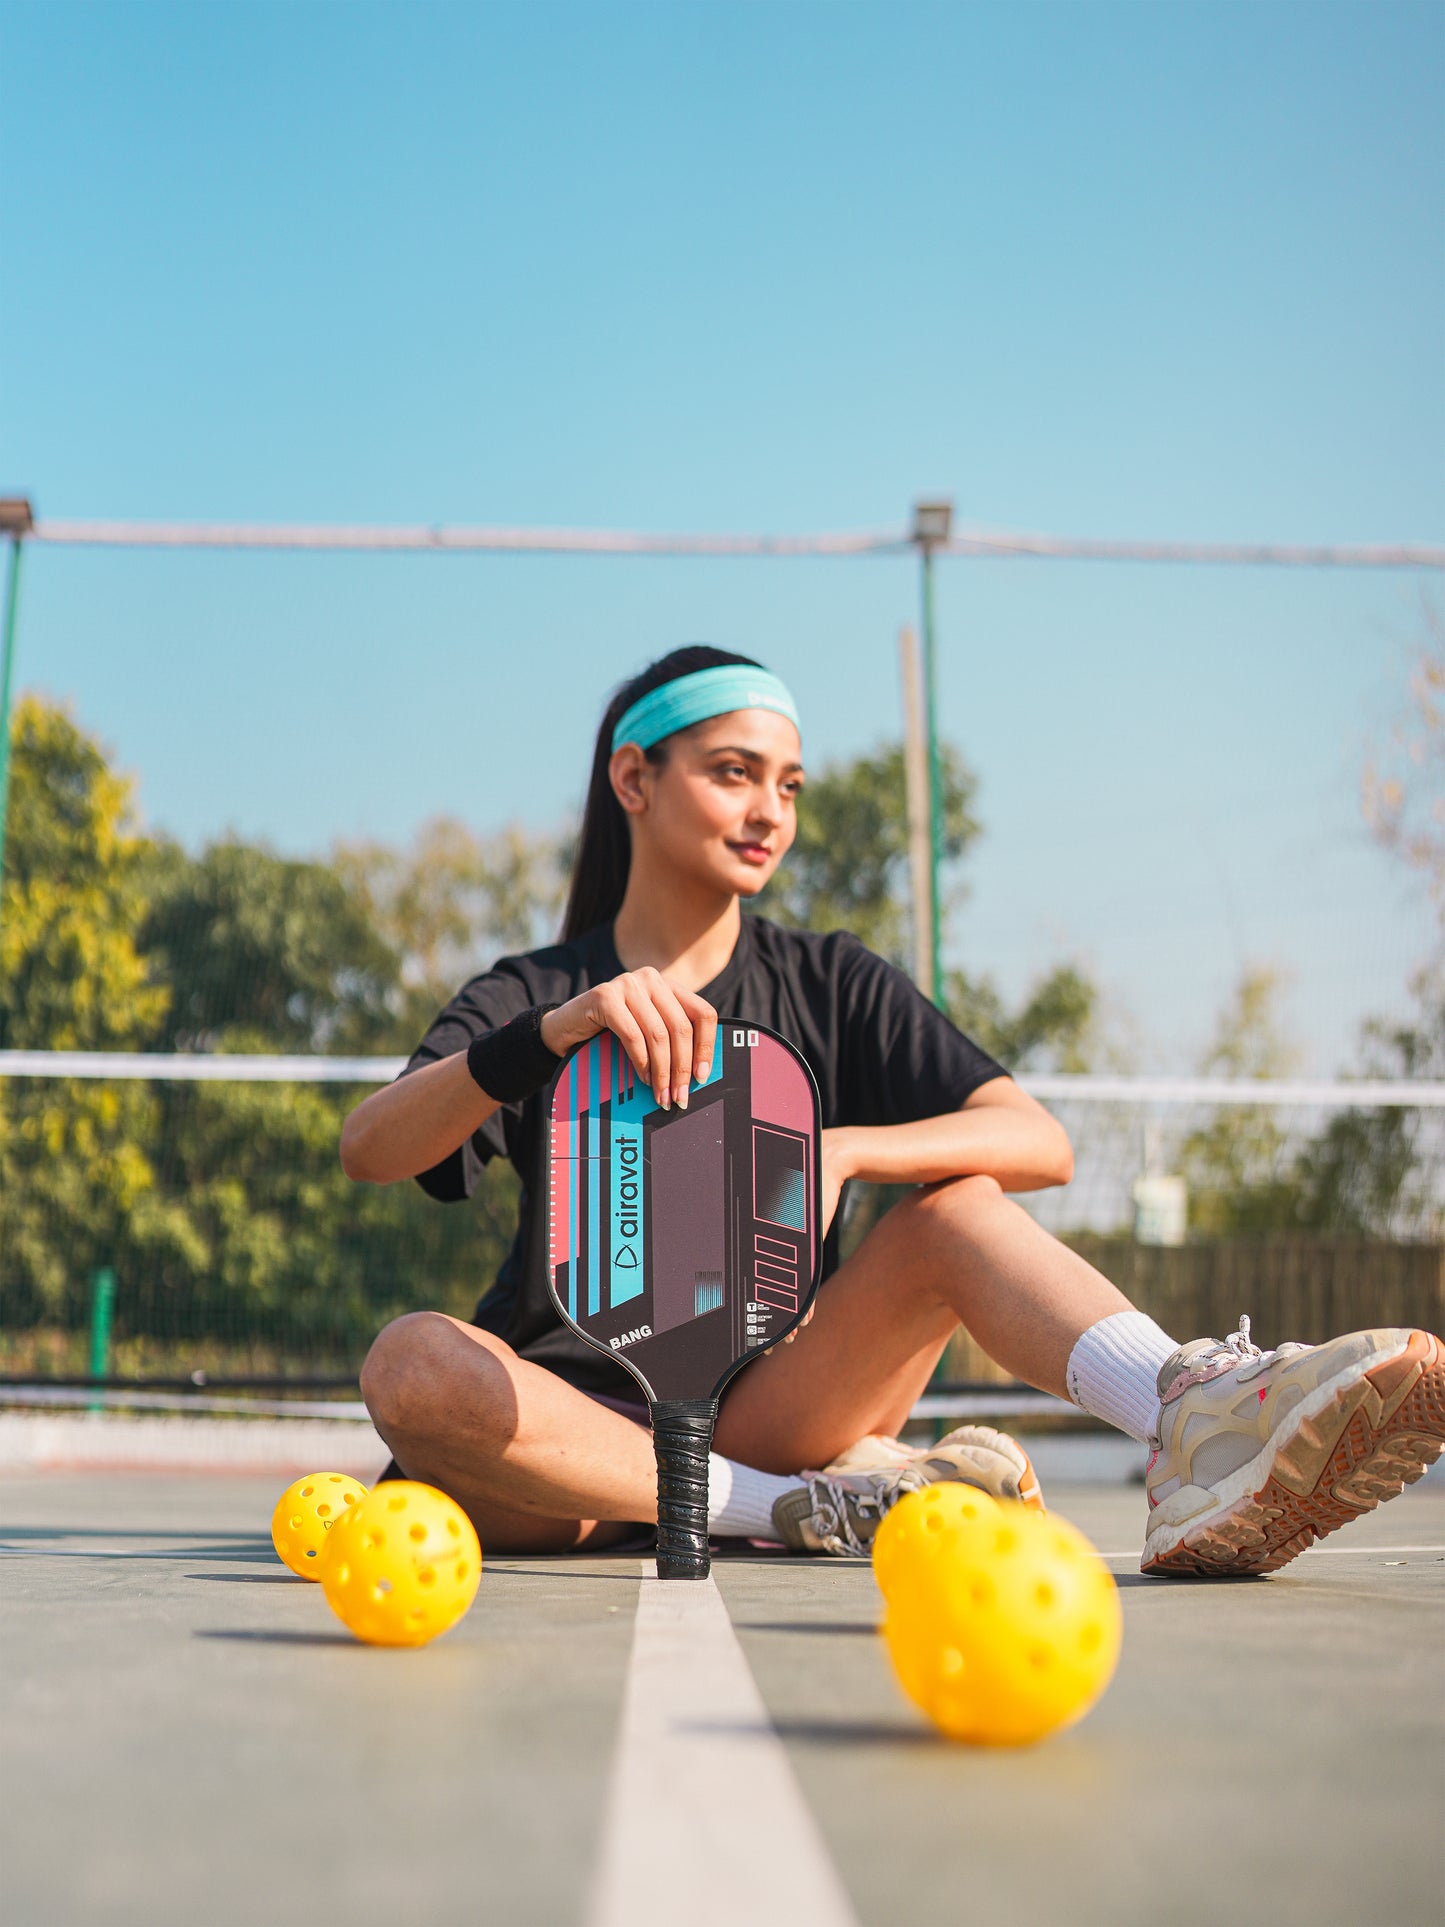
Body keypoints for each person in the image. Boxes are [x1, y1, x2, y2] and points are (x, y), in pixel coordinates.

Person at [342, 647, 1445, 1573]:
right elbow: (373, 1148)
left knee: (956, 1207)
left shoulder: (828, 981)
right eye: (734, 773)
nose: (767, 810)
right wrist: (548, 1031)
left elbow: (1035, 1141)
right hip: (548, 1437)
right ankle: (785, 1505)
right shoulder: (536, 991)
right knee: (410, 1363)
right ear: (634, 777)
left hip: (760, 1405)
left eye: (788, 785)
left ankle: (1191, 1418)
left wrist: (841, 1148)